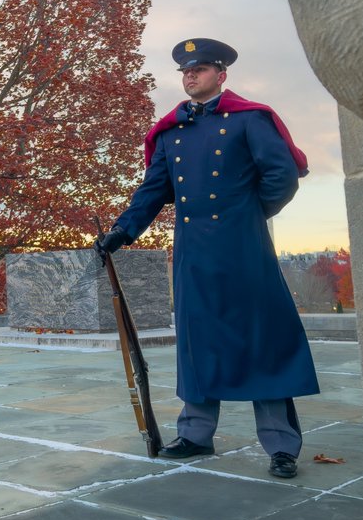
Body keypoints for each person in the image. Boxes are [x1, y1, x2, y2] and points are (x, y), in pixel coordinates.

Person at [95, 38, 319, 479]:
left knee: (263, 340)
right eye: (184, 71)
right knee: (199, 342)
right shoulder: (171, 131)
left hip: (244, 249)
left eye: (198, 69)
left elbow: (282, 175)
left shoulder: (249, 119)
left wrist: (248, 216)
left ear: (221, 74)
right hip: (194, 251)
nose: (189, 76)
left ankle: (280, 446)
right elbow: (153, 190)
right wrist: (122, 230)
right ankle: (195, 435)